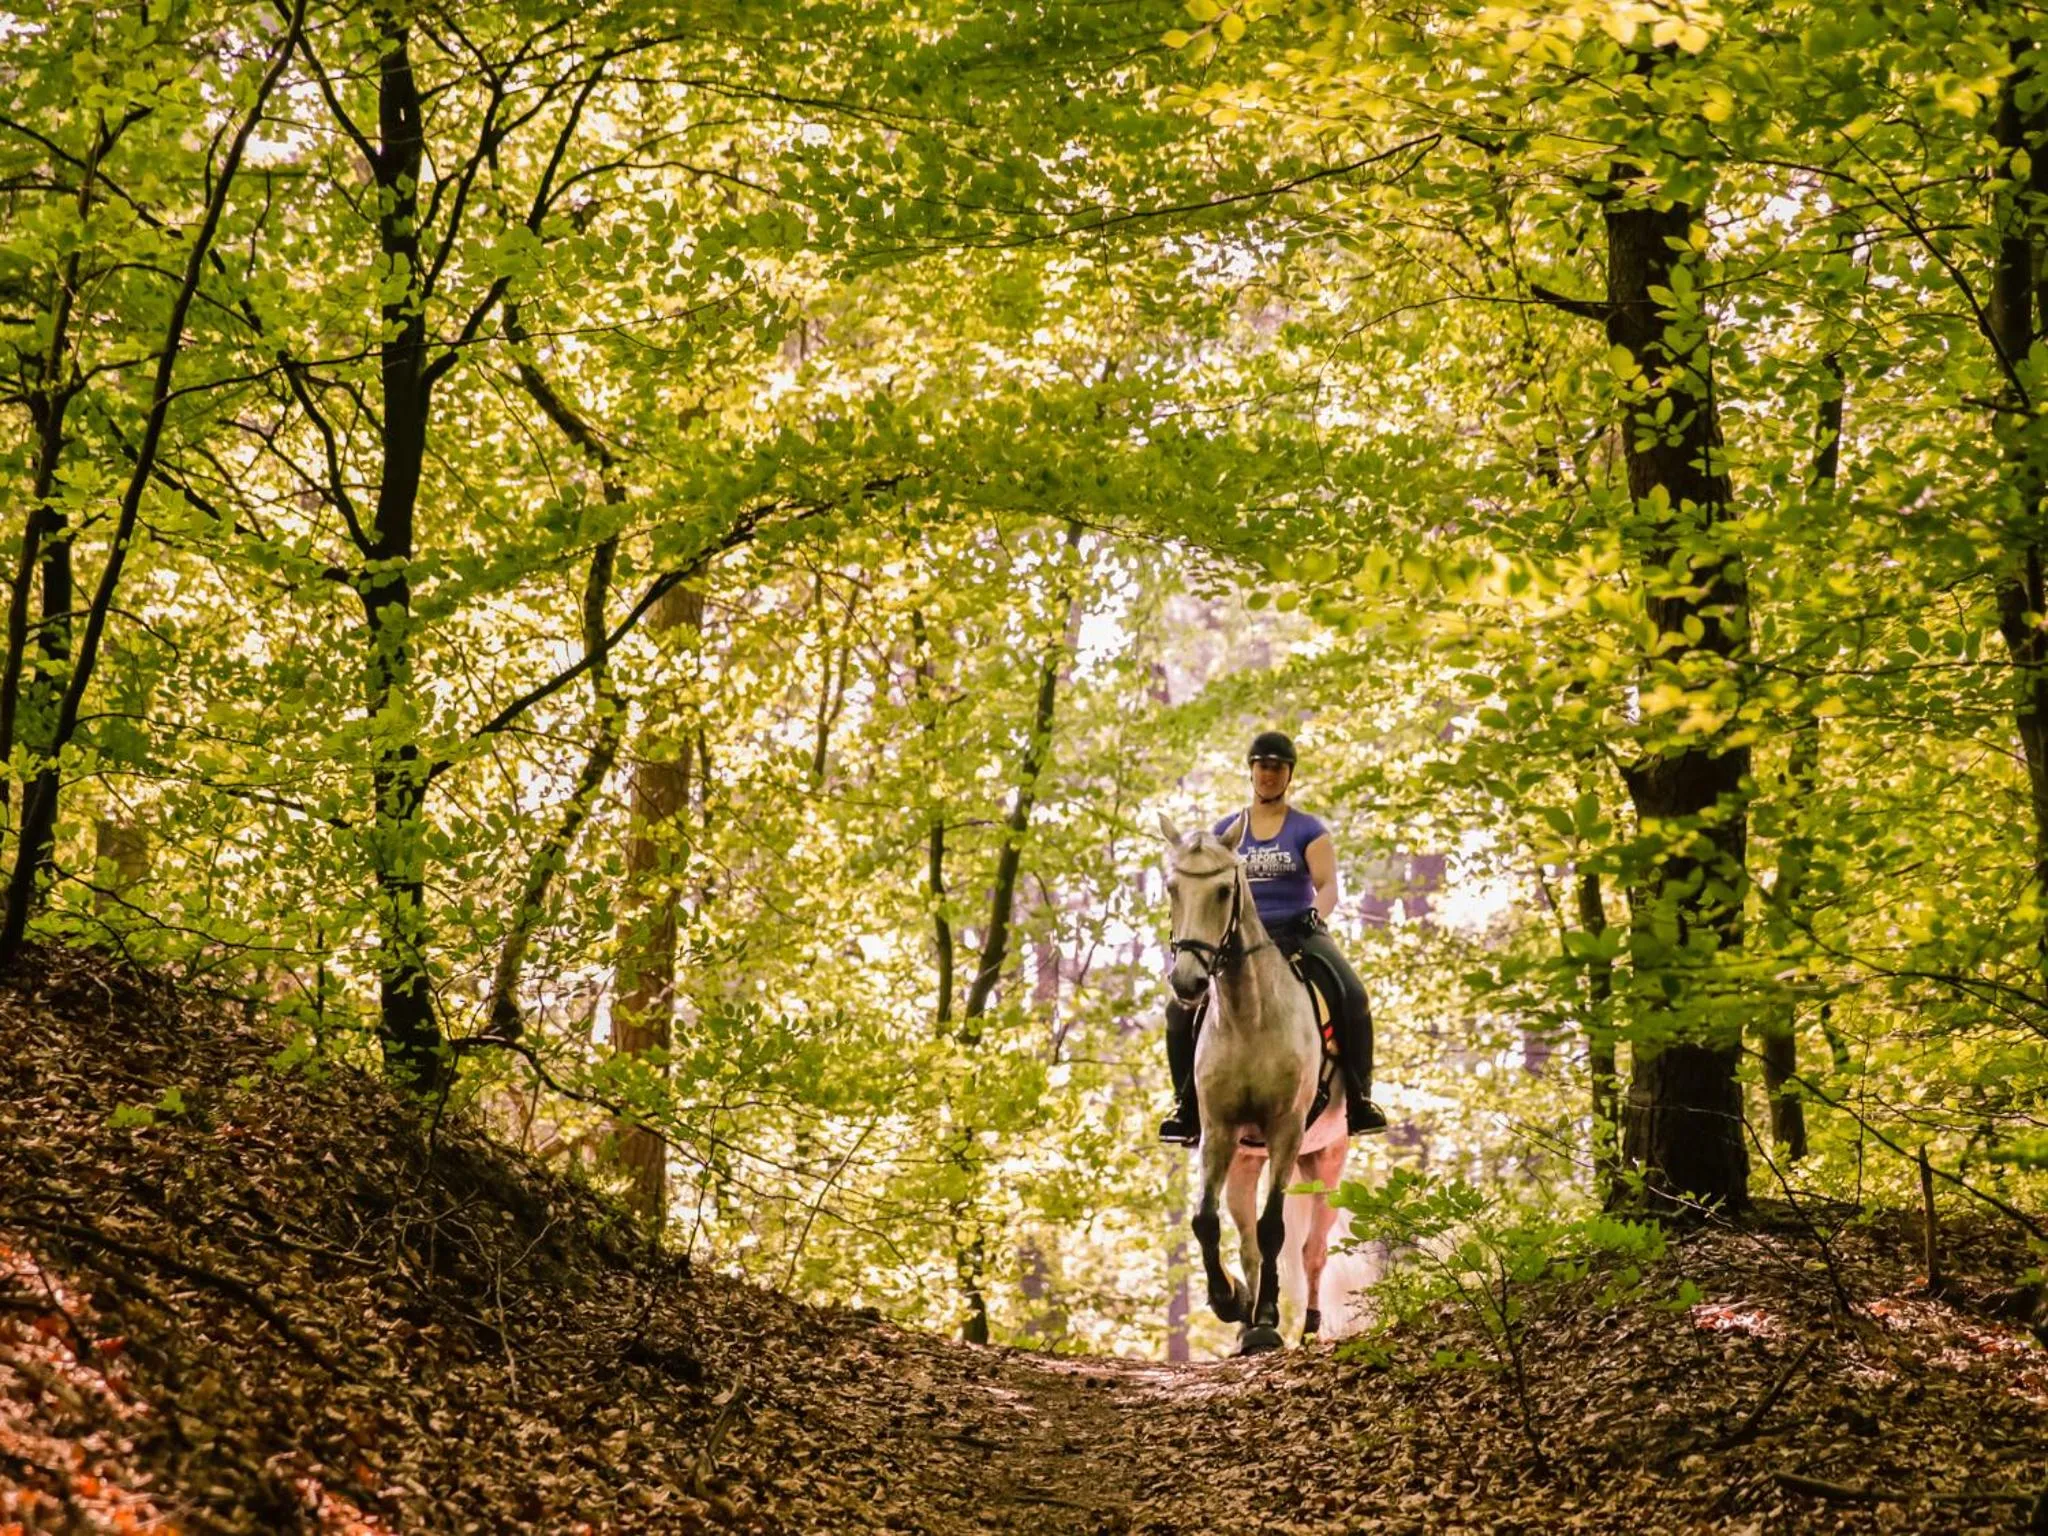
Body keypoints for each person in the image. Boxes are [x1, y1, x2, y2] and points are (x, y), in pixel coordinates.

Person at [1159, 730, 1388, 1144]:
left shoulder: (1308, 830)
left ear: (1288, 775)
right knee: (1179, 1010)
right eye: (1263, 766)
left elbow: (1328, 885)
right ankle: (1186, 1107)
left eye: (1277, 768)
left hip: (1297, 931)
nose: (1269, 774)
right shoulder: (1225, 830)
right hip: (1236, 940)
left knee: (1353, 994)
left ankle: (1359, 1099)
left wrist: (1314, 915)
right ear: (1251, 771)